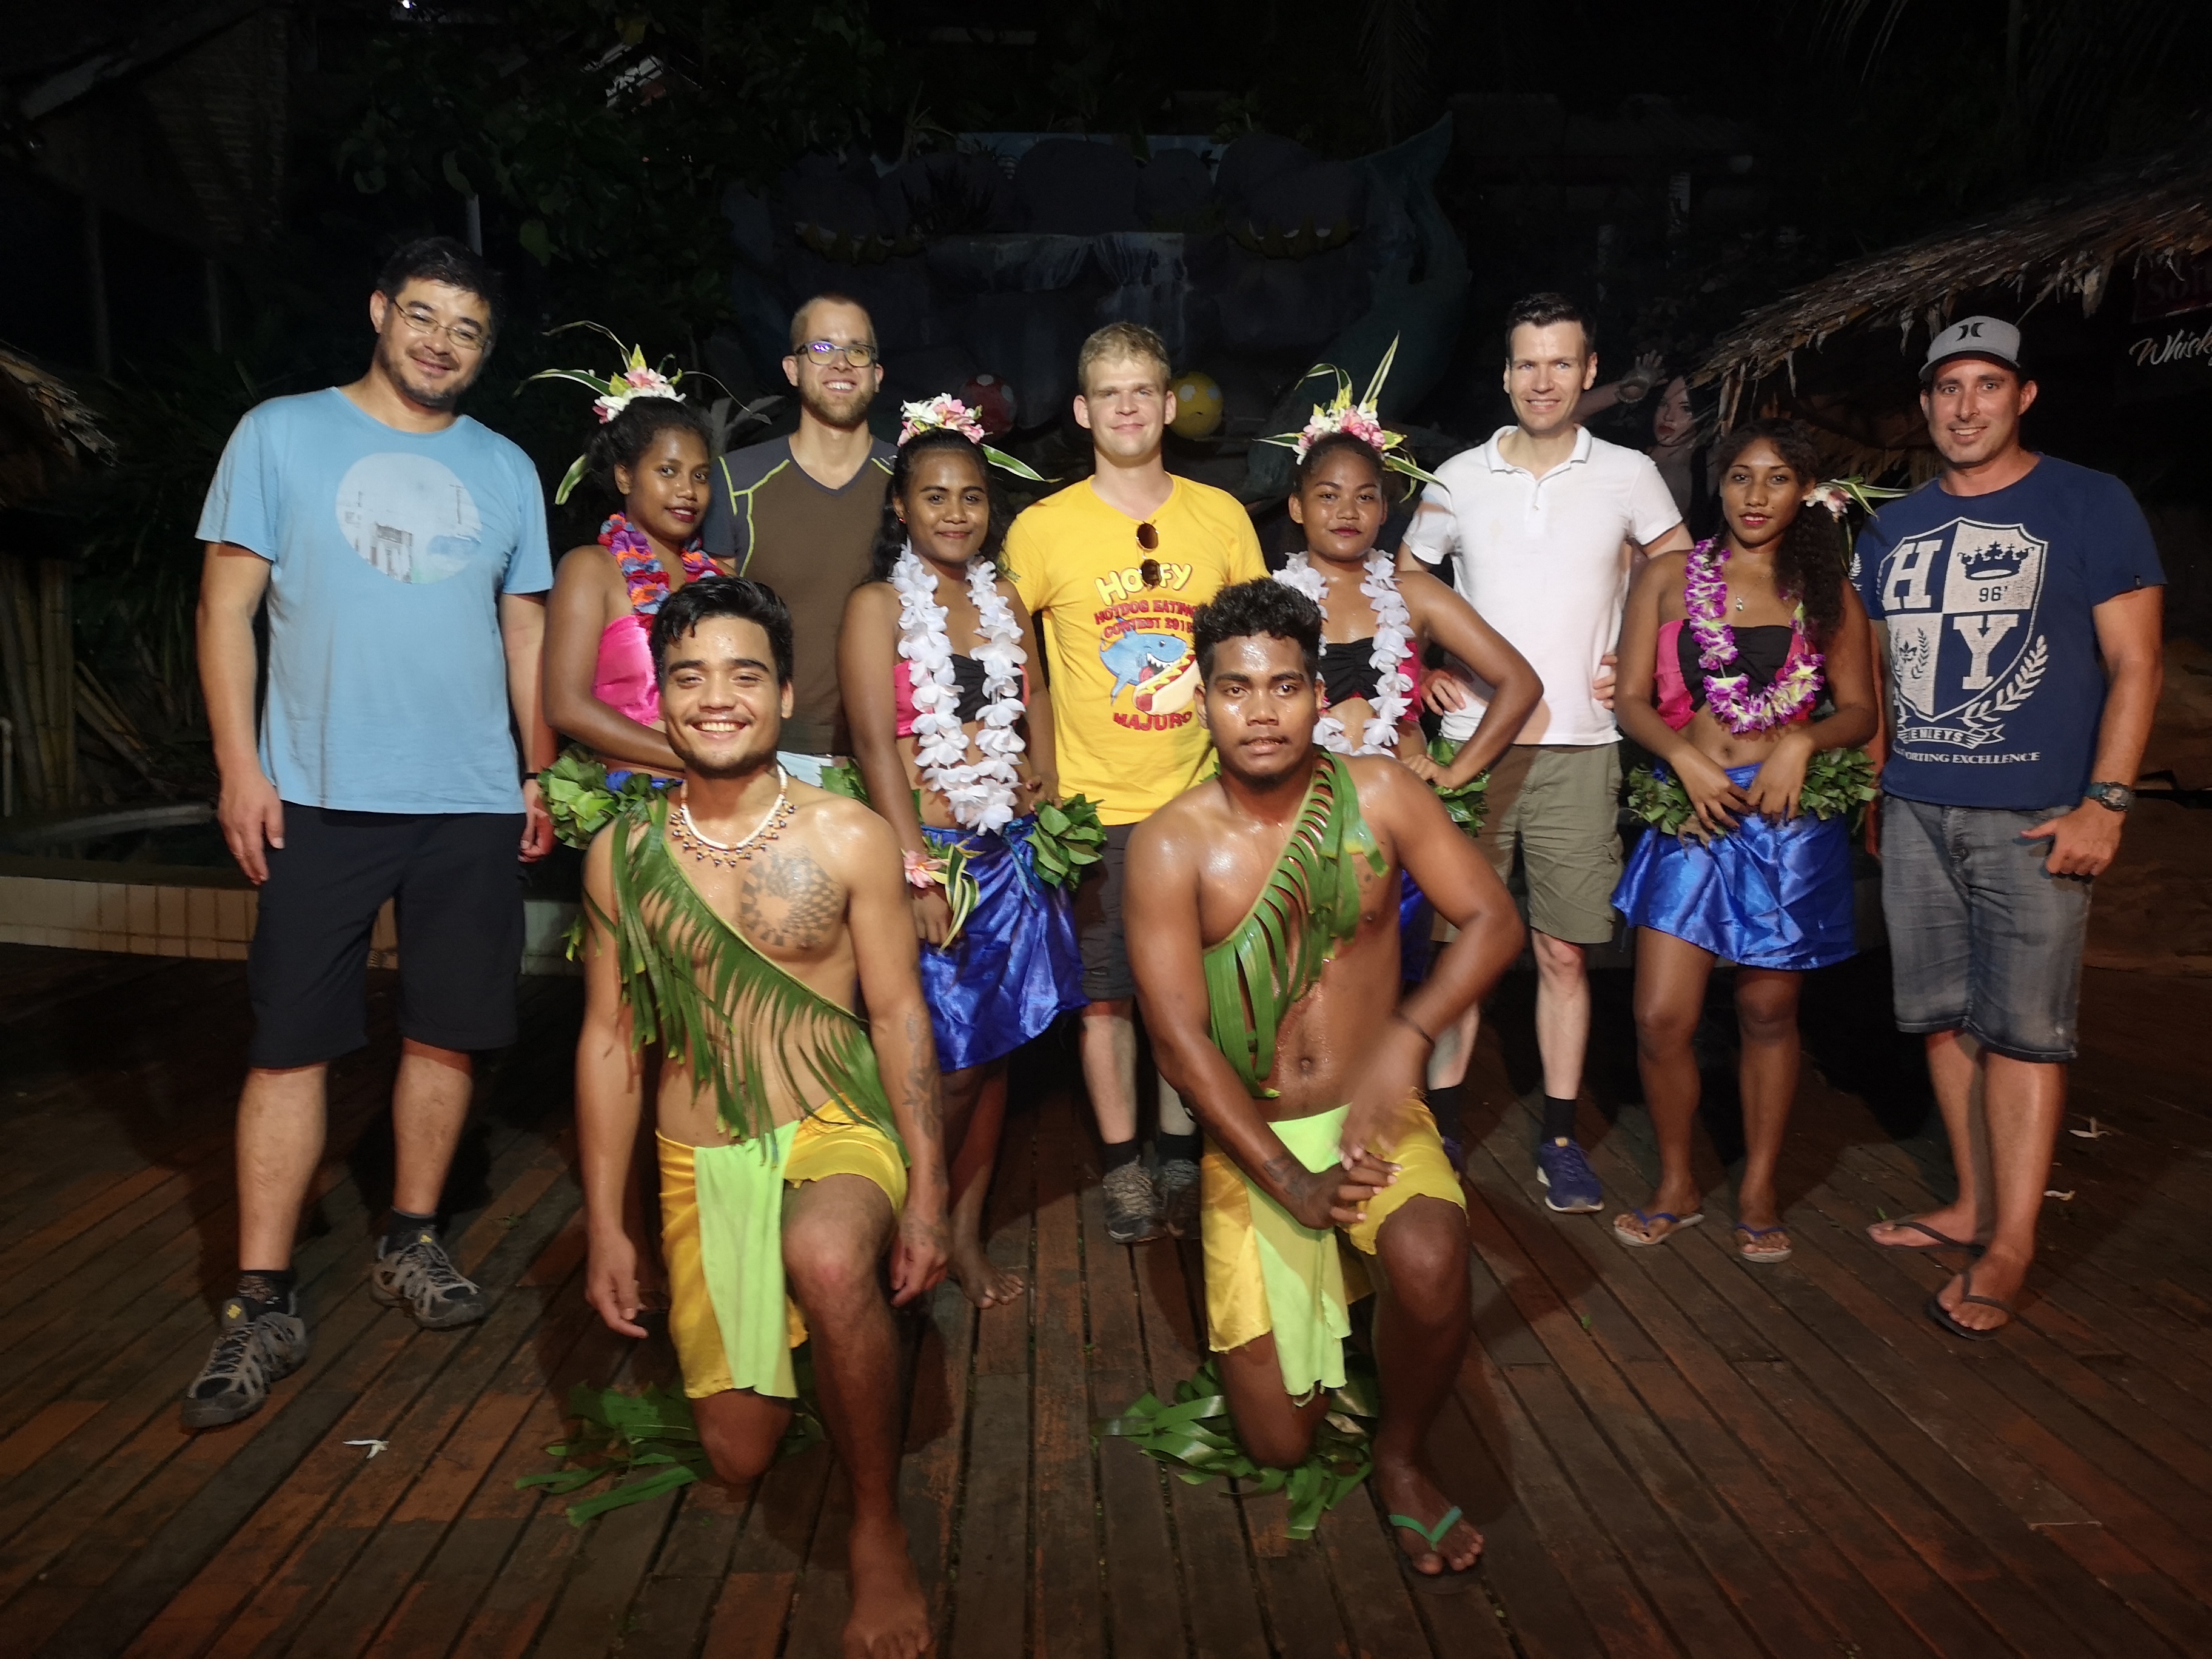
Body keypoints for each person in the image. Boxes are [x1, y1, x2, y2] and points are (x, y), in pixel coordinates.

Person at [186, 237, 557, 1429]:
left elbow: (526, 636)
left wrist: (537, 771)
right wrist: (242, 768)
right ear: (381, 310)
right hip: (321, 794)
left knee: (448, 1036)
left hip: (470, 799)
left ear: (485, 352)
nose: (442, 344)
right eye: (425, 317)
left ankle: (411, 1237)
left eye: (468, 331)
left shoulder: (505, 468)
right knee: (291, 1043)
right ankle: (260, 1298)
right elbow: (226, 609)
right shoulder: (282, 435)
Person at [1124, 580, 1524, 1586]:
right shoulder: (1170, 843)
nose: (1260, 710)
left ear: (1317, 694)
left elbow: (1493, 920)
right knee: (1279, 1445)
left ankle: (1400, 1455)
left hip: (1369, 1117)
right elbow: (1177, 1043)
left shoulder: (1382, 794)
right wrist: (1283, 1178)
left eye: (1285, 686)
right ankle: (1328, 1285)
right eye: (1235, 688)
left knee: (1433, 1258)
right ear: (1200, 701)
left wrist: (1408, 1036)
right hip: (1252, 1137)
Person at [577, 578, 948, 1658]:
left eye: (744, 674)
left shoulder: (849, 837)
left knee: (829, 1255)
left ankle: (876, 1528)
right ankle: (832, 1328)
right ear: (661, 702)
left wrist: (926, 1191)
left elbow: (897, 1015)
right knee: (738, 1454)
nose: (717, 697)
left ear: (785, 695)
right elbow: (609, 1043)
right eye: (689, 676)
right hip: (702, 1159)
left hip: (838, 1117)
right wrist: (609, 1224)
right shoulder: (624, 856)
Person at [1854, 317, 2164, 1339]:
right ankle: (1971, 1203)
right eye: (1946, 387)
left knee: (2024, 1033)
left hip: (2036, 816)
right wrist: (1874, 788)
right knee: (1943, 1018)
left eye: (1987, 385)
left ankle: (2011, 1244)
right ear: (1925, 403)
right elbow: (1878, 678)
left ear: (2022, 396)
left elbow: (2135, 665)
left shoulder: (2087, 502)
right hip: (1916, 806)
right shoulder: (1891, 528)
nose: (1964, 405)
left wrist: (2105, 802)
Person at [1400, 292, 1692, 1213]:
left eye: (1560, 363)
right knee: (1458, 950)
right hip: (1471, 748)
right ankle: (1439, 1126)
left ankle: (1560, 1137)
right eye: (1527, 362)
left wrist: (1640, 656)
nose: (1542, 380)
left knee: (1564, 954)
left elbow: (1681, 570)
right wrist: (1430, 669)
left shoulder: (1629, 473)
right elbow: (1403, 577)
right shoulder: (1457, 476)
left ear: (1589, 372)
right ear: (1505, 374)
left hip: (1582, 743)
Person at [1007, 321, 1267, 1244]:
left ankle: (1178, 1149)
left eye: (1143, 390)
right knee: (1109, 997)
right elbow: (1002, 654)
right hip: (1099, 809)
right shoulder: (1042, 528)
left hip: (1206, 803)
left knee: (1196, 993)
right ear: (1083, 412)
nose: (1126, 406)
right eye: (1108, 393)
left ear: (1170, 405)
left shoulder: (1221, 517)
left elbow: (1261, 648)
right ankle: (1122, 1168)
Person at [1608, 419, 1877, 1260]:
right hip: (1691, 811)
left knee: (1767, 1008)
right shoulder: (1665, 578)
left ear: (1805, 493)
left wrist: (1801, 740)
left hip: (1786, 824)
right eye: (1740, 479)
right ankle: (1678, 1180)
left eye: (1777, 480)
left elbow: (1863, 709)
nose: (1756, 497)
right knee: (1659, 1016)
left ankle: (1758, 1184)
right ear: (1716, 487)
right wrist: (1683, 760)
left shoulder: (1828, 591)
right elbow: (1629, 701)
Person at [839, 406, 1084, 1307]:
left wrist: (1047, 784)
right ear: (899, 507)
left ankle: (968, 1237)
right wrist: (913, 868)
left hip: (1008, 853)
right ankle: (914, 1223)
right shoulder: (878, 606)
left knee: (1001, 1053)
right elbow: (872, 743)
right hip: (933, 855)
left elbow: (1035, 696)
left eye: (972, 497)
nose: (955, 512)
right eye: (934, 496)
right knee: (948, 1066)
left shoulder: (1003, 599)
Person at [1269, 412, 1540, 1159]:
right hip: (1307, 831)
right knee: (1307, 996)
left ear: (1385, 510)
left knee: (1402, 987)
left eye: (1363, 497)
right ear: (1297, 507)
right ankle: (1312, 1139)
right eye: (1326, 496)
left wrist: (1456, 770)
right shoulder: (1271, 601)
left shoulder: (1413, 595)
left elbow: (1519, 680)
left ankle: (1406, 1137)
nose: (1346, 513)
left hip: (1401, 840)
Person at [702, 293, 894, 787]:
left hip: (903, 752)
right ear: (792, 368)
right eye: (822, 347)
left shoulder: (913, 482)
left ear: (877, 373)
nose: (841, 363)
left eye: (858, 350)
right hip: (777, 754)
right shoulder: (735, 480)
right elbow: (712, 618)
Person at [545, 392, 720, 782]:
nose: (688, 490)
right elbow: (565, 706)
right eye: (668, 471)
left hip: (720, 799)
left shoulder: (720, 580)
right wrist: (696, 759)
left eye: (700, 475)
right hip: (629, 801)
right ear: (625, 476)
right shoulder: (589, 569)